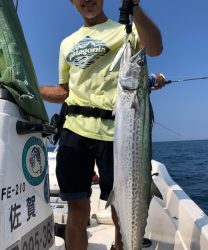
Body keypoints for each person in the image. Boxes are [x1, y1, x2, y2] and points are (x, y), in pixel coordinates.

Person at [39, 0, 165, 249]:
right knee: (77, 209)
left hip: (117, 135)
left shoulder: (126, 32)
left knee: (121, 208)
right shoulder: (67, 43)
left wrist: (135, 7)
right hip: (74, 130)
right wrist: (34, 90)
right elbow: (64, 91)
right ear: (72, 1)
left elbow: (155, 48)